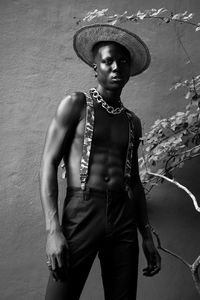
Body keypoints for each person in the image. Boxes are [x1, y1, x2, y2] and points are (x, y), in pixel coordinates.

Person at [40, 24, 161, 300]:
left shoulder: (133, 122)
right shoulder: (76, 104)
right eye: (108, 61)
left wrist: (147, 235)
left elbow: (134, 182)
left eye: (123, 62)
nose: (116, 67)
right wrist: (53, 230)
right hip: (83, 211)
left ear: (130, 70)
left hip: (122, 217)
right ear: (96, 68)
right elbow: (47, 163)